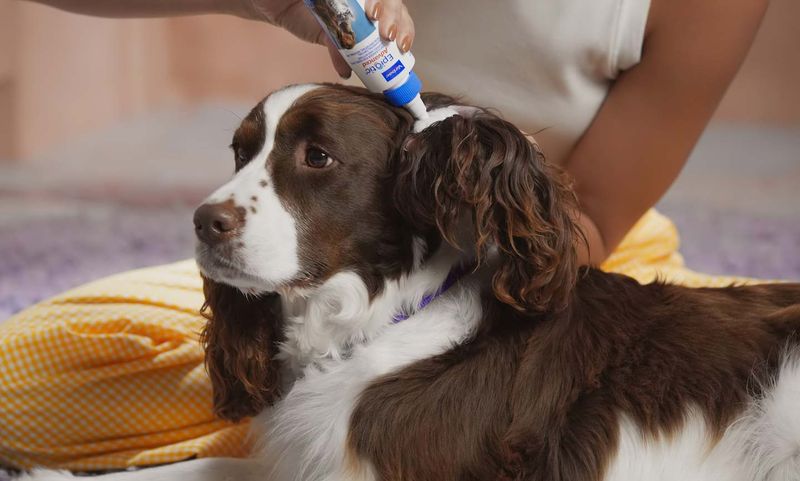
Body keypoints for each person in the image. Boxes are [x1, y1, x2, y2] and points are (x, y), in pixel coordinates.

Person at [1, 0, 769, 471]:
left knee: (692, 361)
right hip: (336, 263)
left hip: (539, 253)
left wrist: (466, 223)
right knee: (22, 383)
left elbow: (590, 221)